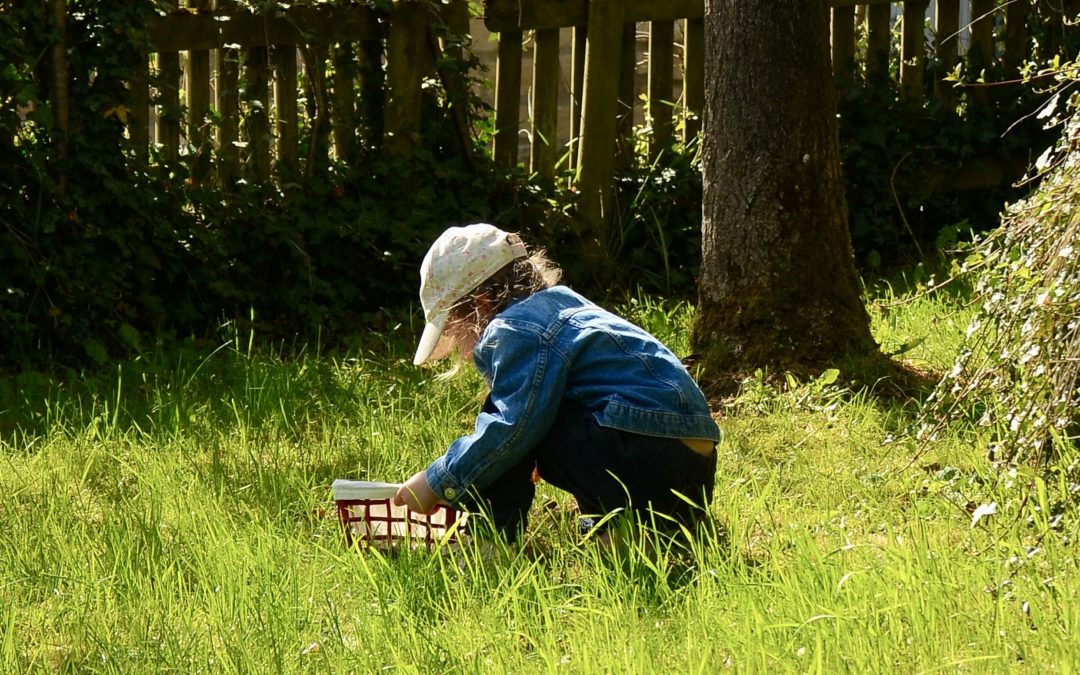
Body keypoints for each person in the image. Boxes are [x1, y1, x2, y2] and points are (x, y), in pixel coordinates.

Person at [393, 223, 720, 542]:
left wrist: (439, 481)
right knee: (562, 405)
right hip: (694, 462)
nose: (462, 351)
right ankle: (637, 528)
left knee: (507, 425)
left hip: (643, 454)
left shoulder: (513, 327)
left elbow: (510, 428)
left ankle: (490, 542)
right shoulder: (565, 305)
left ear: (480, 304)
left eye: (453, 330)